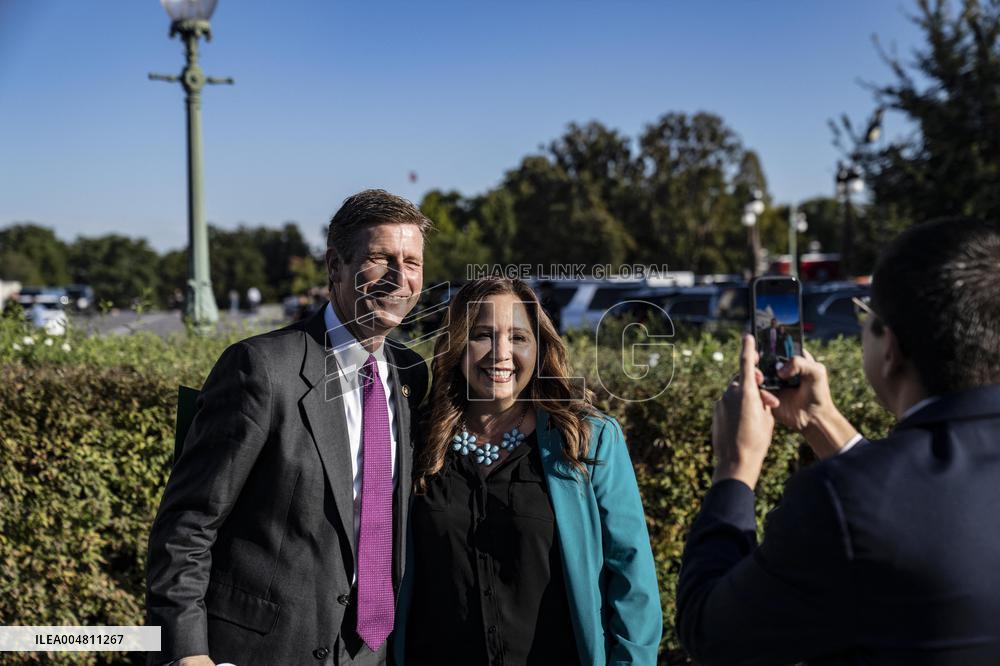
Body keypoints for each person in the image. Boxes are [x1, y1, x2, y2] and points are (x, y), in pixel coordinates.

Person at [677, 218, 1000, 664]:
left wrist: (735, 467)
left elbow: (712, 633)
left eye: (865, 317)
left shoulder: (839, 500)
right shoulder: (871, 496)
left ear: (891, 348)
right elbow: (931, 505)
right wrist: (822, 421)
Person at [146, 190, 432, 666]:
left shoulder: (412, 375)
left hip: (371, 654)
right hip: (261, 651)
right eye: (381, 259)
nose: (400, 279)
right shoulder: (261, 368)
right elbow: (187, 526)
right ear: (335, 265)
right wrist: (186, 653)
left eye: (413, 262)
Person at [395, 278, 662, 665]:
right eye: (483, 335)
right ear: (457, 345)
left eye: (518, 337)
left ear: (538, 347)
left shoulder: (586, 439)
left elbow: (633, 578)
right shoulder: (416, 440)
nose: (500, 353)